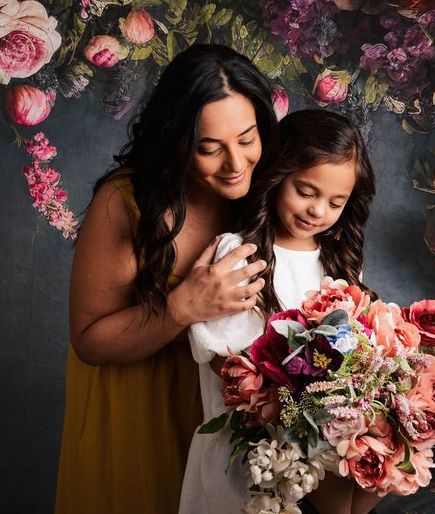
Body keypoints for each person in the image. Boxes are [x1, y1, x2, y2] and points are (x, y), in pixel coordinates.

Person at [55, 44, 279, 514]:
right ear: (177, 140)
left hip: (227, 418)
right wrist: (183, 307)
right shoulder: (126, 202)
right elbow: (90, 342)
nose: (236, 164)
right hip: (139, 414)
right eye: (209, 148)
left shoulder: (269, 195)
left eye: (247, 138)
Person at [178, 109, 380, 514]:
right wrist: (298, 398)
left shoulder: (339, 262)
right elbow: (226, 367)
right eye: (306, 191)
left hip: (328, 428)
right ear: (277, 175)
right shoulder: (240, 254)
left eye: (336, 202)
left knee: (376, 466)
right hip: (255, 442)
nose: (318, 211)